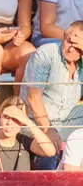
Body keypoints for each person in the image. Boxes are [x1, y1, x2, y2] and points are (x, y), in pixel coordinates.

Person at [21, 21, 83, 169]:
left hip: (66, 119)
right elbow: (33, 98)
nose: (71, 48)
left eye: (78, 45)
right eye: (69, 41)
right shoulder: (47, 53)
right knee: (48, 148)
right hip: (34, 122)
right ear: (63, 36)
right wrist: (48, 129)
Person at [0, 96, 56, 172]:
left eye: (16, 119)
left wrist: (28, 122)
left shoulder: (24, 140)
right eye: (6, 117)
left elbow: (50, 152)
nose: (9, 122)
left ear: (22, 123)